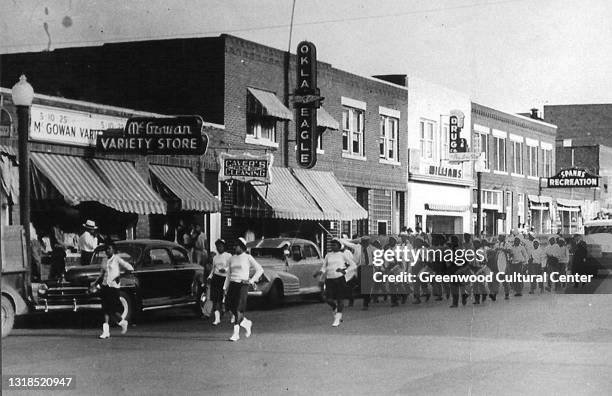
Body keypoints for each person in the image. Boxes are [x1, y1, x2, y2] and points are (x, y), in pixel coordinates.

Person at [223, 237, 264, 342]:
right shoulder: (231, 258)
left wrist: (251, 281)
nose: (234, 247)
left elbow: (260, 269)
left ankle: (236, 334)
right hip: (232, 284)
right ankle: (246, 323)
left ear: (241, 246)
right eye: (234, 245)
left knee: (238, 309)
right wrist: (225, 287)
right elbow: (228, 274)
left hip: (242, 285)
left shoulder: (248, 257)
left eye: (236, 245)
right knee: (229, 307)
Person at [90, 242, 134, 339]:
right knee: (105, 309)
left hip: (114, 287)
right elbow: (101, 274)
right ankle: (106, 332)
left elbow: (130, 268)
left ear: (113, 250)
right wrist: (95, 283)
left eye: (109, 249)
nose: (107, 251)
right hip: (105, 286)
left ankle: (122, 322)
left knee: (112, 309)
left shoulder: (116, 259)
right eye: (106, 249)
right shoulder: (104, 260)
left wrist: (120, 276)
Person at [314, 238, 356, 326]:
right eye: (331, 245)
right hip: (329, 279)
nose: (332, 246)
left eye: (334, 245)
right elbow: (324, 266)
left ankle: (337, 319)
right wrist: (320, 272)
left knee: (340, 299)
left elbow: (353, 265)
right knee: (327, 298)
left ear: (339, 246)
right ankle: (334, 307)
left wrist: (345, 271)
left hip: (339, 279)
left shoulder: (342, 255)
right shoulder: (328, 255)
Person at [208, 239, 232, 325]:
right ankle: (217, 318)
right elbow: (213, 269)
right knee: (215, 298)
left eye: (220, 246)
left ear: (224, 246)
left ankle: (232, 314)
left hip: (225, 278)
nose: (219, 248)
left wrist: (225, 270)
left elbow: (231, 266)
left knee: (226, 298)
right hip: (216, 278)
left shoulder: (228, 256)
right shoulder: (215, 257)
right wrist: (210, 276)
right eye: (217, 246)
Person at [471, 240, 490, 304]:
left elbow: (485, 261)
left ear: (478, 244)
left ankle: (484, 294)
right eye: (473, 244)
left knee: (481, 284)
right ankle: (477, 299)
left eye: (475, 244)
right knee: (475, 285)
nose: (474, 245)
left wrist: (481, 268)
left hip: (481, 269)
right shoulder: (473, 251)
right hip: (475, 269)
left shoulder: (482, 251)